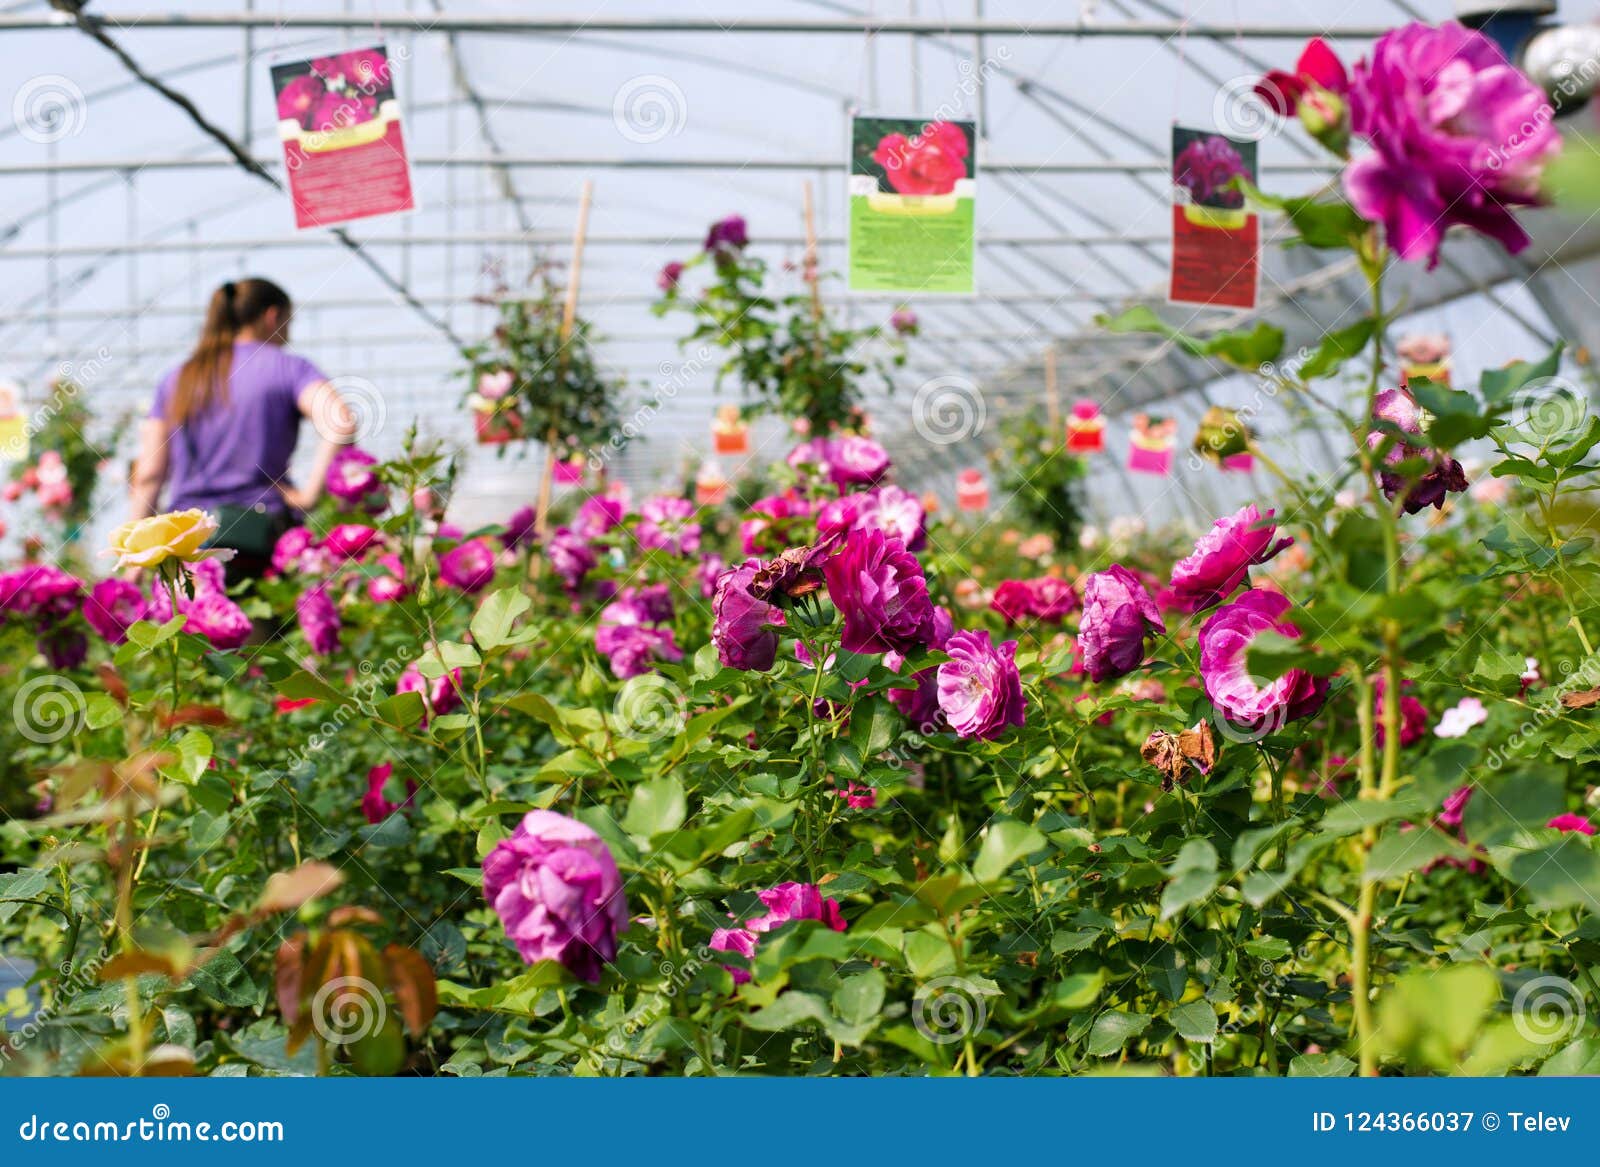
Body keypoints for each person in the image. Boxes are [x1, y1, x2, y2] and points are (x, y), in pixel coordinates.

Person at [129, 277, 356, 582]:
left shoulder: (177, 379)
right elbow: (340, 420)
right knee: (259, 626)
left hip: (185, 541)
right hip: (260, 539)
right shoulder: (288, 368)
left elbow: (149, 474)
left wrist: (135, 559)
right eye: (288, 324)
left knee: (190, 624)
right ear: (272, 316)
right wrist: (310, 494)